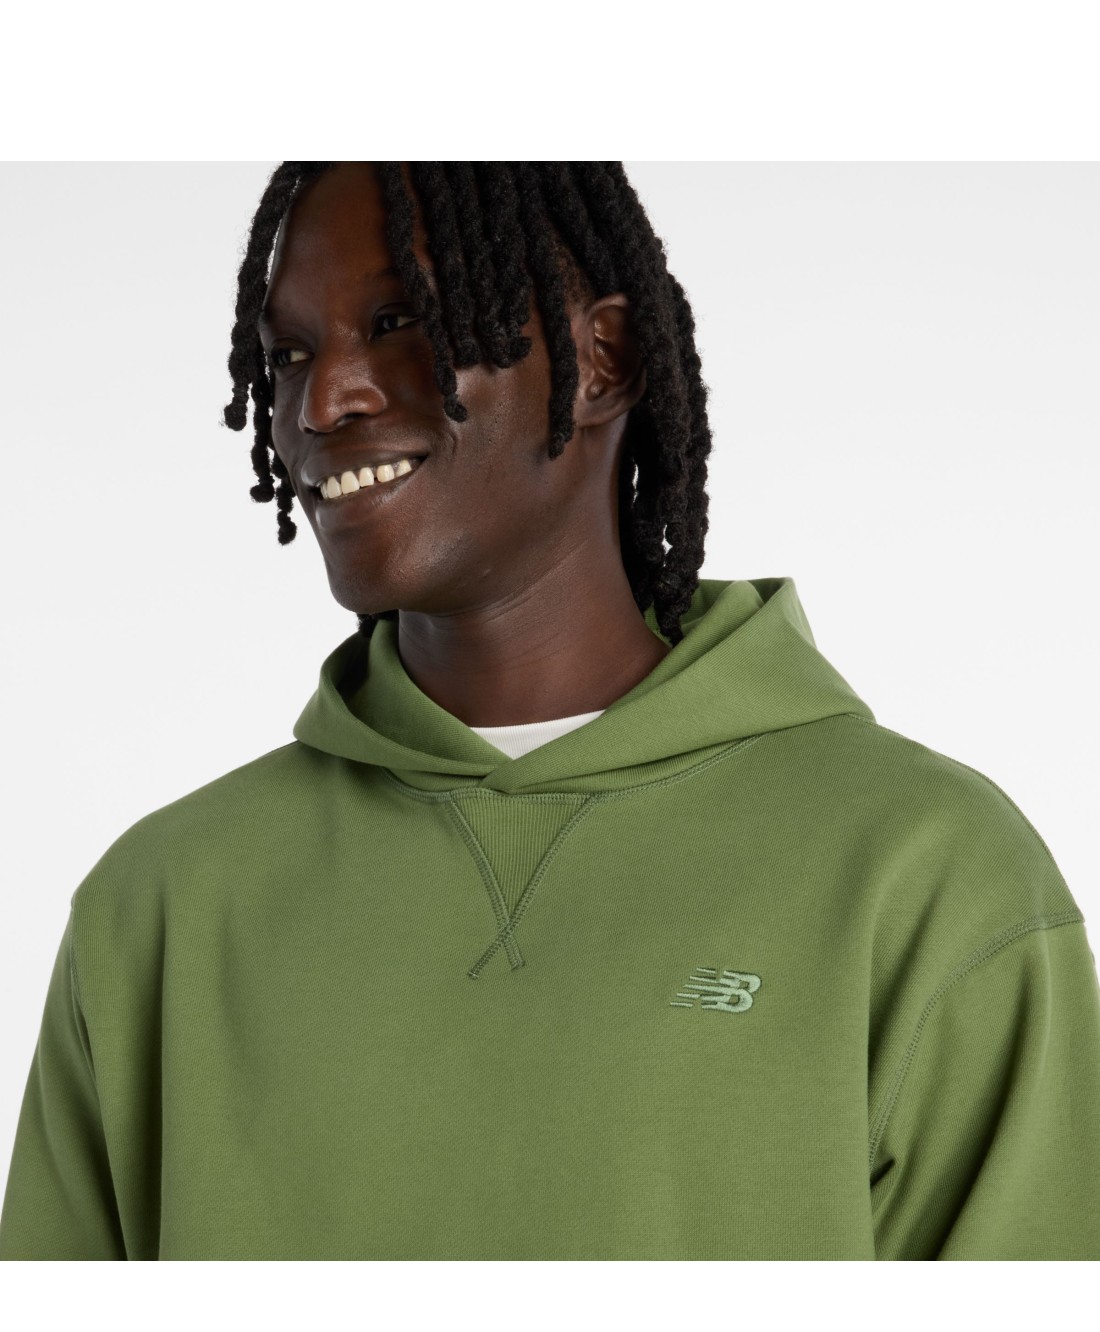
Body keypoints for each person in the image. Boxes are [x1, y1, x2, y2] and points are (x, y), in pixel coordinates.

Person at [1, 161, 1097, 1261]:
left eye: (398, 322)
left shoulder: (923, 872)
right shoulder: (160, 908)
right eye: (287, 354)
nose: (322, 401)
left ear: (603, 360)